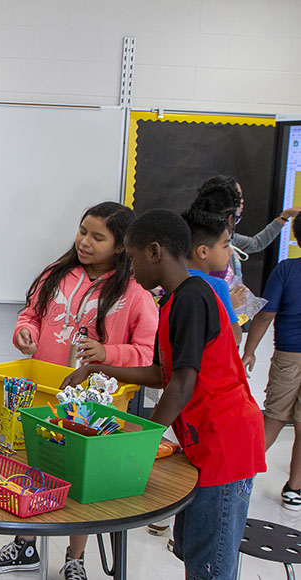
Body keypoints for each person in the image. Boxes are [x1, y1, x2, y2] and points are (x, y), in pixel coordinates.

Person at [62, 208, 266, 580]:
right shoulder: (172, 301)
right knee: (191, 546)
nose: (131, 266)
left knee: (211, 563)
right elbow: (161, 373)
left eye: (134, 256)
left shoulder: (192, 297)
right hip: (203, 440)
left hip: (226, 442)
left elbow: (181, 384)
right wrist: (96, 367)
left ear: (154, 252)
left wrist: (143, 443)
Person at [0, 202, 157, 579]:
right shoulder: (56, 274)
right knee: (34, 468)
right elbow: (31, 315)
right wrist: (24, 331)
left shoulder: (135, 293)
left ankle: (75, 558)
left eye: (97, 236)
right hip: (43, 395)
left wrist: (108, 352)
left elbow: (147, 355)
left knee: (81, 481)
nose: (84, 242)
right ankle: (25, 545)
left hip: (94, 407)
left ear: (122, 245)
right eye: (82, 231)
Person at [242, 215, 301, 510]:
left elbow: (265, 315)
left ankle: (242, 474)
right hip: (291, 353)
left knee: (275, 417)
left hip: (289, 354)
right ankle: (295, 489)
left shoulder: (287, 269)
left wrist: (249, 350)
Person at [190, 175, 301, 318]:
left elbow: (256, 243)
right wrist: (226, 304)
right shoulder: (201, 242)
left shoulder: (227, 235)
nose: (230, 250)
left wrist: (284, 217)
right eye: (238, 198)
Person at [182, 208, 243, 345]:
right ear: (203, 251)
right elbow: (234, 337)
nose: (231, 251)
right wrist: (229, 307)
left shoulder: (172, 279)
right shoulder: (216, 286)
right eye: (225, 246)